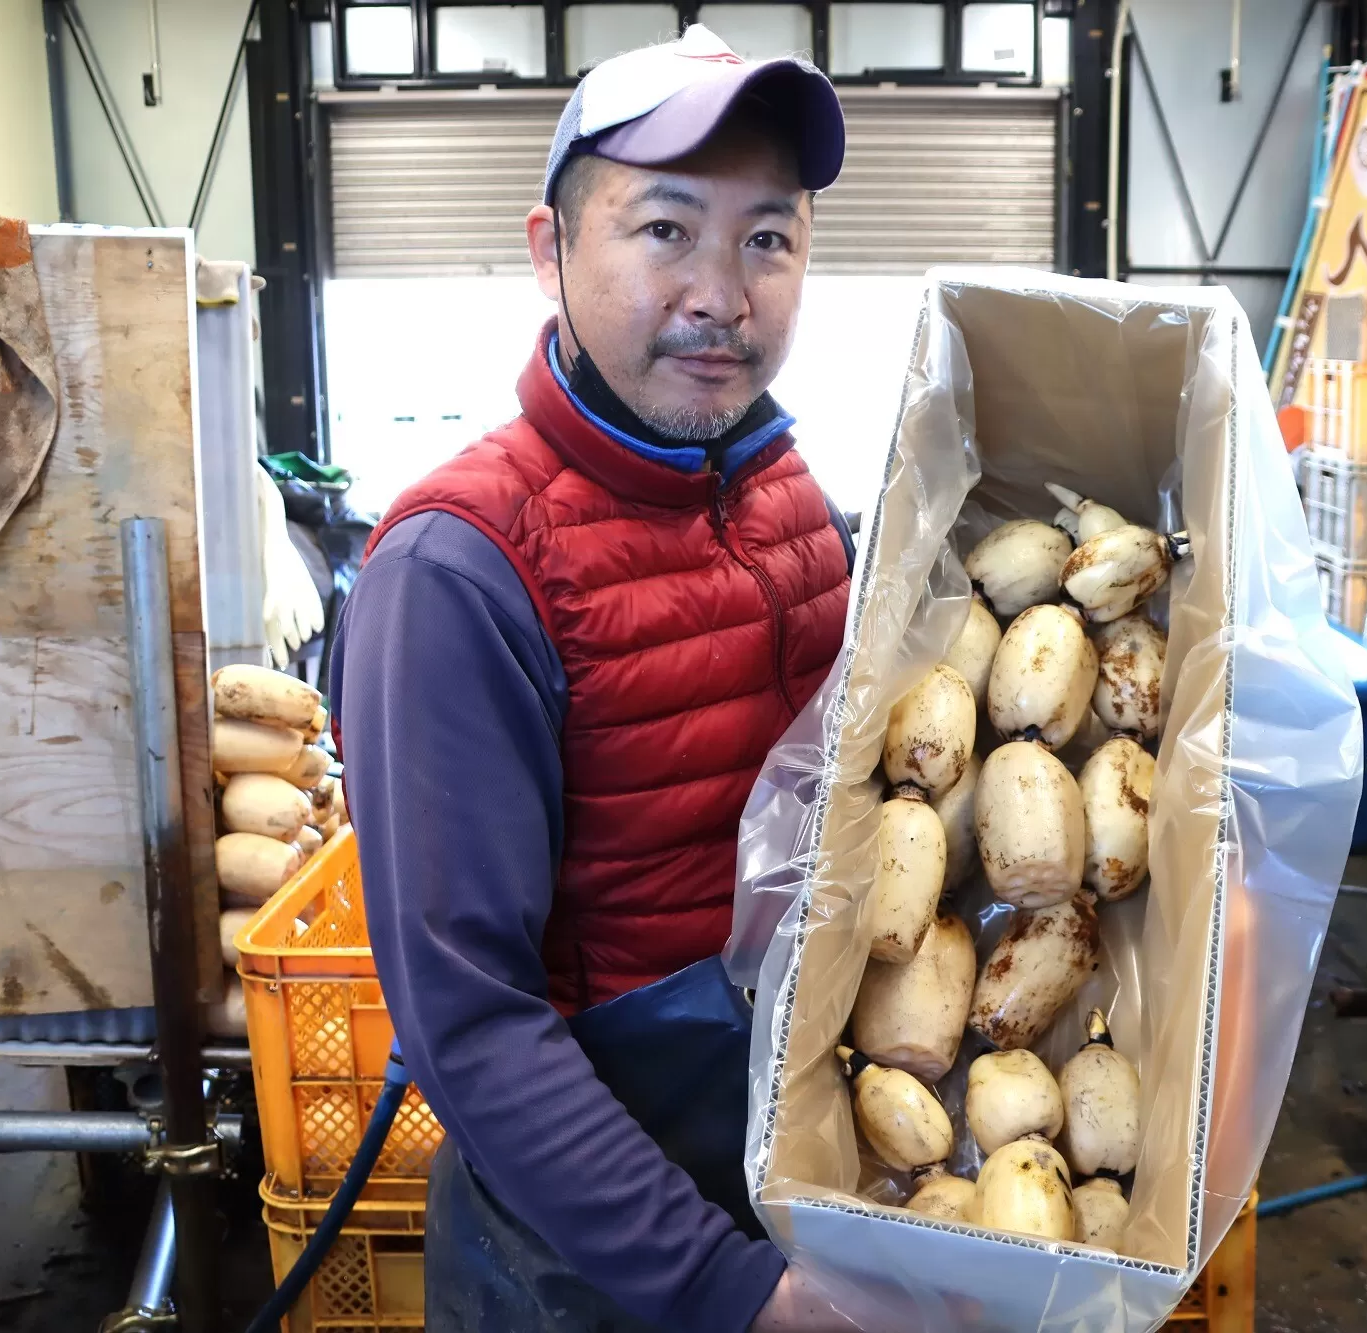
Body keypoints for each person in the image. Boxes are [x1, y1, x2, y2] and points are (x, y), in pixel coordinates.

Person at [329, 24, 864, 1333]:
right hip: (590, 1263)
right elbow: (471, 1028)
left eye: (768, 237)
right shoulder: (460, 571)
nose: (723, 295)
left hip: (796, 1180)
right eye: (666, 229)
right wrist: (736, 1294)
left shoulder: (791, 500)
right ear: (549, 250)